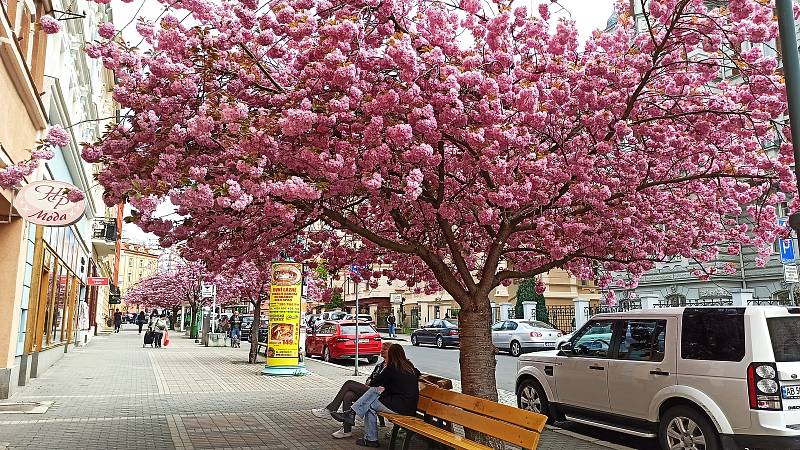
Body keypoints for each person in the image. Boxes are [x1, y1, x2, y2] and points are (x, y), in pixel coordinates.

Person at [331, 344, 420, 447]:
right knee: (373, 396)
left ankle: (366, 432)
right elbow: (417, 374)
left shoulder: (391, 368)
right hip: (409, 406)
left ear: (391, 355)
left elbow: (374, 382)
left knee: (371, 397)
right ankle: (354, 418)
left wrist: (382, 383)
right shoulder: (409, 366)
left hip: (399, 406)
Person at [312, 342, 392, 439]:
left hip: (378, 395)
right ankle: (346, 430)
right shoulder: (380, 365)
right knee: (348, 395)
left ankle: (331, 409)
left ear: (392, 352)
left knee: (349, 383)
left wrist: (373, 383)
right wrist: (369, 381)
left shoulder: (393, 366)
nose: (382, 351)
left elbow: (385, 384)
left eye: (385, 349)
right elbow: (371, 378)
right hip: (371, 391)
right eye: (382, 348)